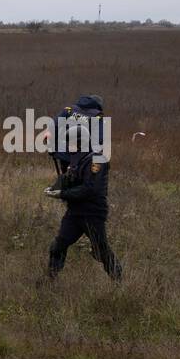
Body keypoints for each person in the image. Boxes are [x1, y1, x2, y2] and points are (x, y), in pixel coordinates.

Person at [45, 94, 122, 281]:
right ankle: (50, 280)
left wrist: (62, 193)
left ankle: (119, 280)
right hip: (74, 212)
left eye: (72, 145)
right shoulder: (95, 122)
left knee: (102, 250)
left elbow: (89, 190)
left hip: (92, 213)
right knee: (58, 245)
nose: (69, 147)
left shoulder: (96, 160)